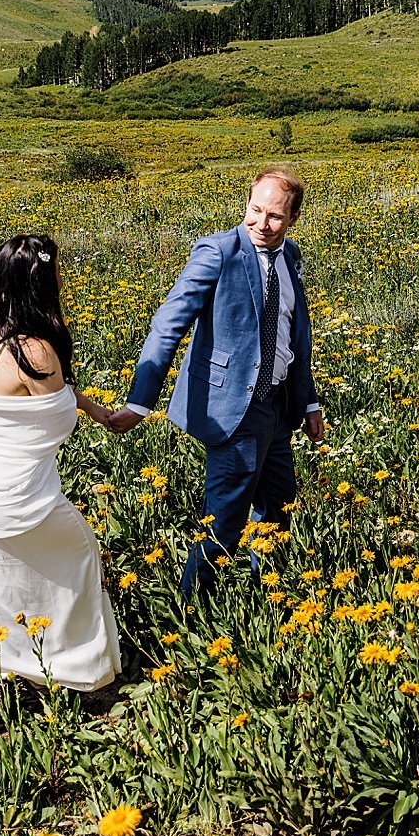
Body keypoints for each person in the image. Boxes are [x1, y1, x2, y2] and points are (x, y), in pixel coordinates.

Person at [0, 234, 123, 740]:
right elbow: (57, 418)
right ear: (45, 282)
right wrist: (92, 413)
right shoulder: (36, 349)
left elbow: (42, 399)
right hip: (15, 499)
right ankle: (81, 673)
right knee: (78, 558)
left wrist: (90, 406)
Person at [110, 166, 325, 596]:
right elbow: (168, 325)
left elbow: (294, 334)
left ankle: (267, 598)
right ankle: (192, 611)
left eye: (275, 216)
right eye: (255, 209)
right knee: (224, 522)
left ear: (293, 219)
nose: (261, 224)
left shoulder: (291, 256)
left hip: (279, 407)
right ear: (246, 202)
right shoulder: (218, 252)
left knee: (278, 511)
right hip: (232, 408)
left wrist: (308, 403)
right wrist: (139, 401)